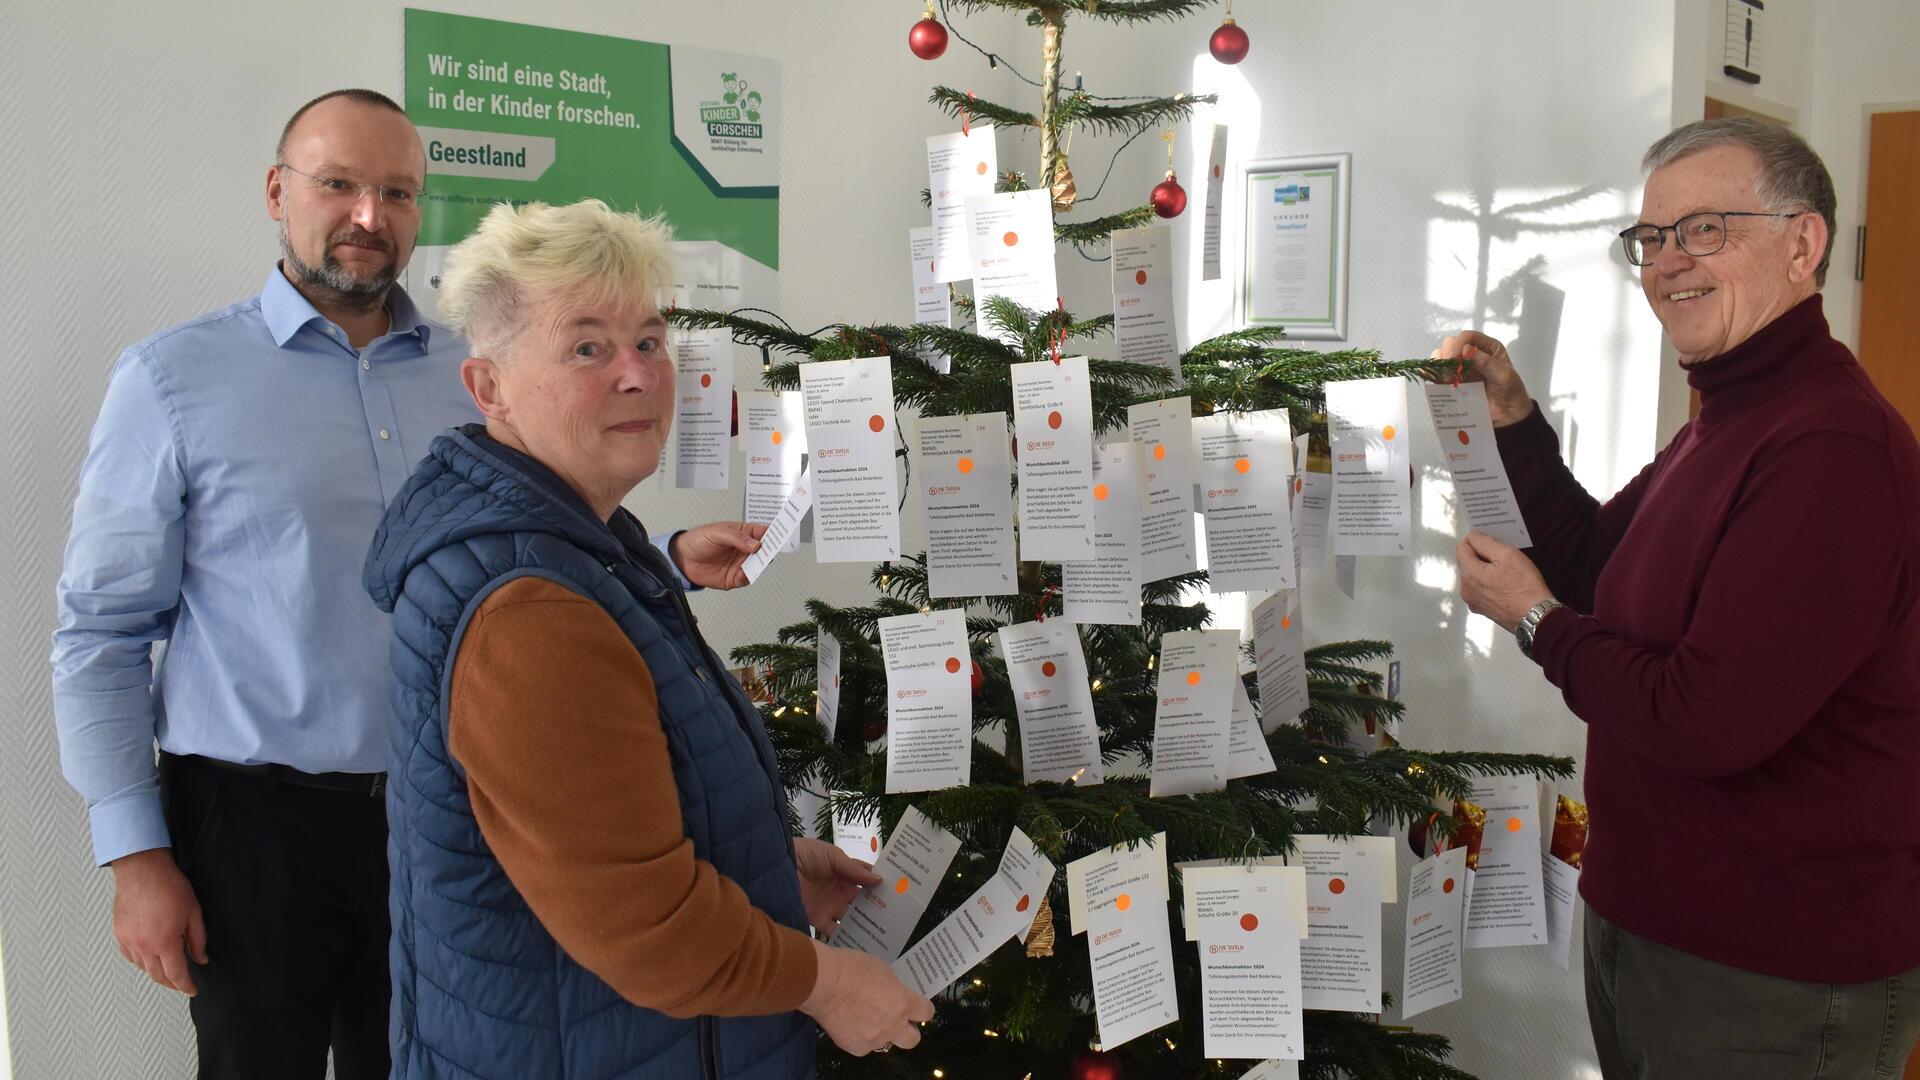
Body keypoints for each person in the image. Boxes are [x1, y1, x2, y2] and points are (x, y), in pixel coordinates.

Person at [50, 89, 765, 1079]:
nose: (367, 217)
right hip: (255, 830)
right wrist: (136, 856)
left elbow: (525, 536)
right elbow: (101, 633)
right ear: (277, 191)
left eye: (397, 191)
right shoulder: (172, 380)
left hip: (451, 811)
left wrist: (669, 556)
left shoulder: (473, 370)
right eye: (338, 184)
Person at [361, 197, 934, 1079]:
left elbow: (589, 835)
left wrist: (766, 866)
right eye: (588, 347)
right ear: (490, 387)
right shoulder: (529, 609)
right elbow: (647, 925)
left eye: (650, 341)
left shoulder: (579, 541)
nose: (636, 375)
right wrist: (825, 983)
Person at [1436, 117, 1920, 1078]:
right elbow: (1594, 568)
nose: (1666, 264)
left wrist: (1535, 620)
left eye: (1704, 230)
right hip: (1653, 932)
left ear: (1802, 242)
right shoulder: (1731, 416)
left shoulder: (1831, 446)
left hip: (1773, 974)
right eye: (1650, 240)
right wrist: (1516, 425)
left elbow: (1706, 720)